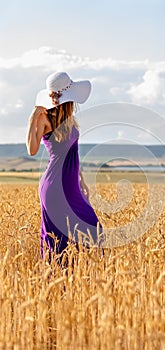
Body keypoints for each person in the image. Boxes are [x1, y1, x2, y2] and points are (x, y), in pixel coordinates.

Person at [26, 71, 103, 260]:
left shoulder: (70, 120)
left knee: (95, 230)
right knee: (58, 241)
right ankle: (56, 284)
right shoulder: (45, 118)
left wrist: (81, 180)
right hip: (54, 186)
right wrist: (32, 120)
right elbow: (32, 150)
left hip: (71, 184)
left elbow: (72, 153)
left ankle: (79, 282)